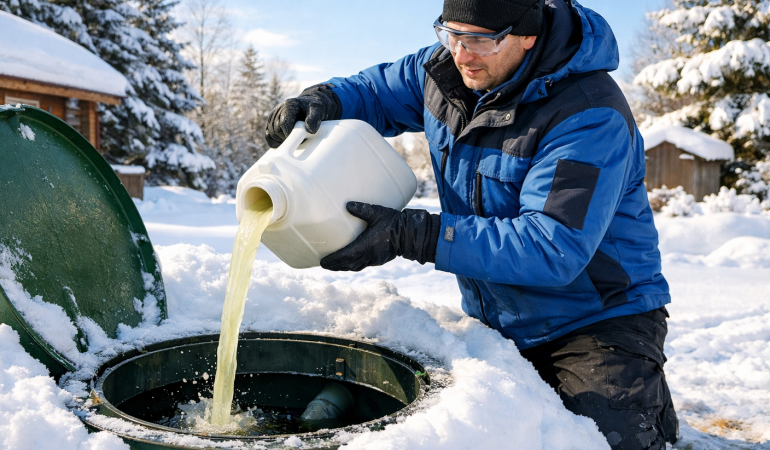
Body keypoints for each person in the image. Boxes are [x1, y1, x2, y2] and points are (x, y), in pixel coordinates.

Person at [264, 0, 677, 448]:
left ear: (527, 35)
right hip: (497, 319)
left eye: (480, 39)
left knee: (600, 438)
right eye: (451, 33)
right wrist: (324, 99)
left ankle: (642, 400)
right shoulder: (443, 70)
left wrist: (415, 235)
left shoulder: (588, 115)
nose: (462, 54)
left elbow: (552, 248)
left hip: (597, 321)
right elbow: (374, 93)